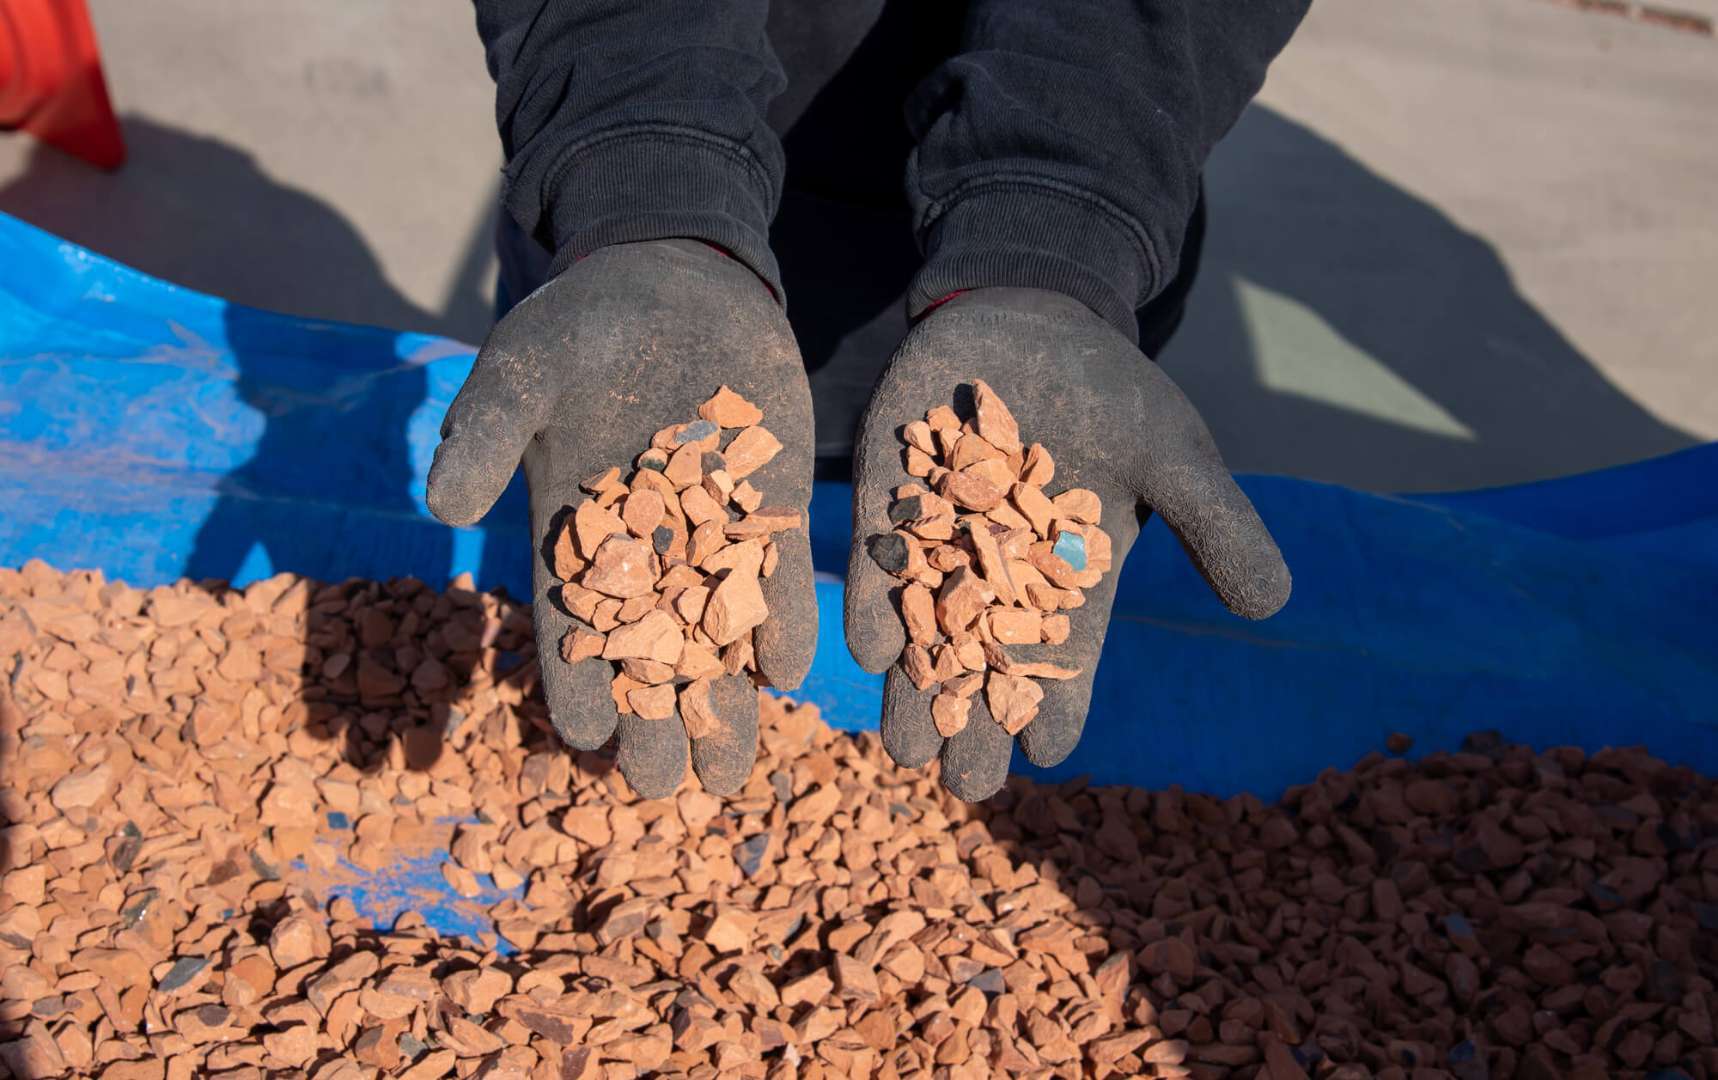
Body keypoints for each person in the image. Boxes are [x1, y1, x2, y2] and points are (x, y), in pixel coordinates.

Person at [427, 0, 1305, 802]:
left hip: (1065, 241)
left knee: (856, 598)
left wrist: (1062, 222)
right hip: (629, 226)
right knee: (567, 491)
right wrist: (638, 168)